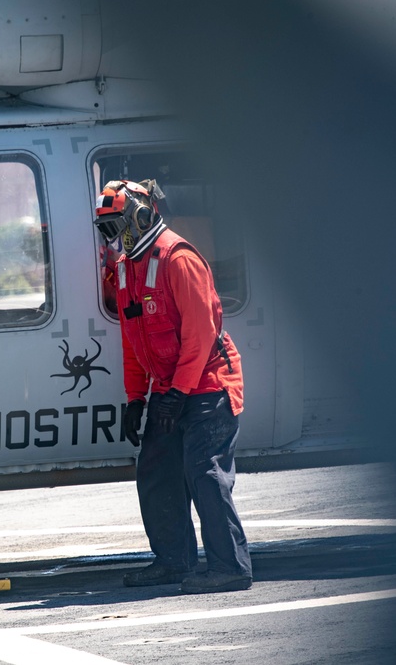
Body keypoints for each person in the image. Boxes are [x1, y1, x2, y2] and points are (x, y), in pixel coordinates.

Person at [93, 179, 252, 594]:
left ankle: (230, 566)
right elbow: (132, 340)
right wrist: (135, 398)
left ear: (141, 215)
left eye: (116, 225)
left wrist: (179, 394)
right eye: (105, 229)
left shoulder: (178, 259)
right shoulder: (127, 268)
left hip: (209, 382)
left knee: (204, 472)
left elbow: (201, 335)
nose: (113, 237)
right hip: (172, 386)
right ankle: (173, 560)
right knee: (157, 470)